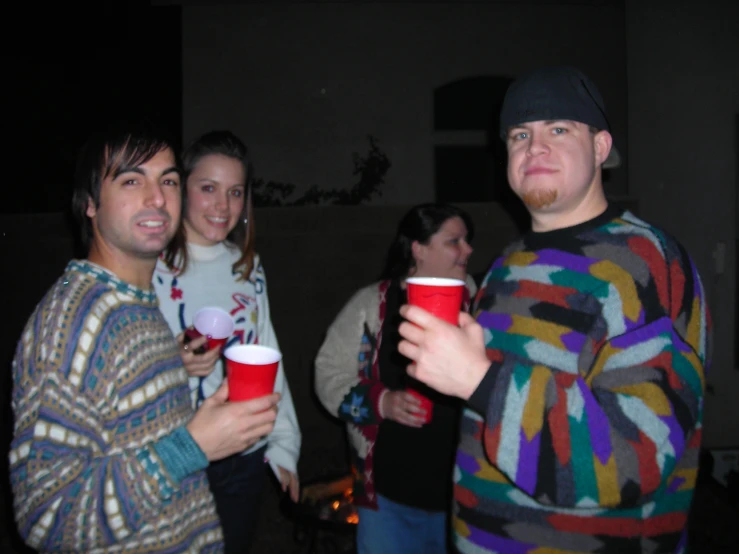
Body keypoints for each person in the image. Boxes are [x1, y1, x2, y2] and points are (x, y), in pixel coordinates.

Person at [397, 66, 712, 554]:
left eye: (558, 130)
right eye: (520, 134)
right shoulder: (506, 265)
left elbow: (637, 458)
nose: (534, 147)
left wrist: (478, 381)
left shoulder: (646, 264)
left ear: (601, 148)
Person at [7, 122, 280, 553]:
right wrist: (191, 447)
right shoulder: (74, 324)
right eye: (131, 180)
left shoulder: (135, 305)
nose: (157, 198)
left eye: (168, 180)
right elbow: (47, 517)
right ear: (90, 203)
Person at [153, 130, 301, 552]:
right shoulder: (152, 266)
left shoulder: (247, 267)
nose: (222, 206)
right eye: (208, 189)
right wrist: (174, 361)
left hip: (243, 453)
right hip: (177, 452)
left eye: (235, 192)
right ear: (181, 188)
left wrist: (284, 443)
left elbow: (268, 353)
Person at [315, 203, 477, 554]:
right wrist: (380, 401)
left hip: (463, 500)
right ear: (418, 249)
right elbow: (327, 373)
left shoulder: (479, 305)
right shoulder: (369, 305)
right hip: (386, 501)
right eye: (454, 241)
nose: (468, 250)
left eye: (467, 241)